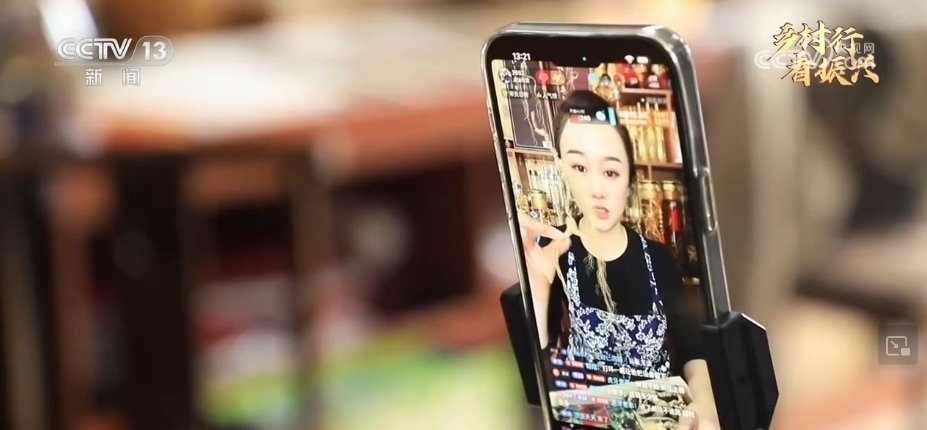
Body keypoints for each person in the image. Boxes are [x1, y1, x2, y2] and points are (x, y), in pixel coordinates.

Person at [517, 90, 719, 429]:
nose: (596, 188)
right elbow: (537, 377)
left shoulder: (658, 258)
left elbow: (692, 352)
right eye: (580, 168)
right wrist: (537, 289)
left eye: (610, 172)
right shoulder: (552, 251)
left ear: (629, 181)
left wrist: (706, 405)